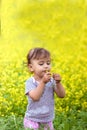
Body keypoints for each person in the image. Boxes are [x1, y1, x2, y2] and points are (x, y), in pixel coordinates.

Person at [23, 47, 65, 130]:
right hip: (32, 119)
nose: (46, 66)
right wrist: (43, 82)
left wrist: (58, 83)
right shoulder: (30, 82)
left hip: (47, 119)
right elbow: (35, 97)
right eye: (41, 64)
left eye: (48, 63)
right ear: (31, 67)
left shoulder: (51, 80)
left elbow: (61, 95)